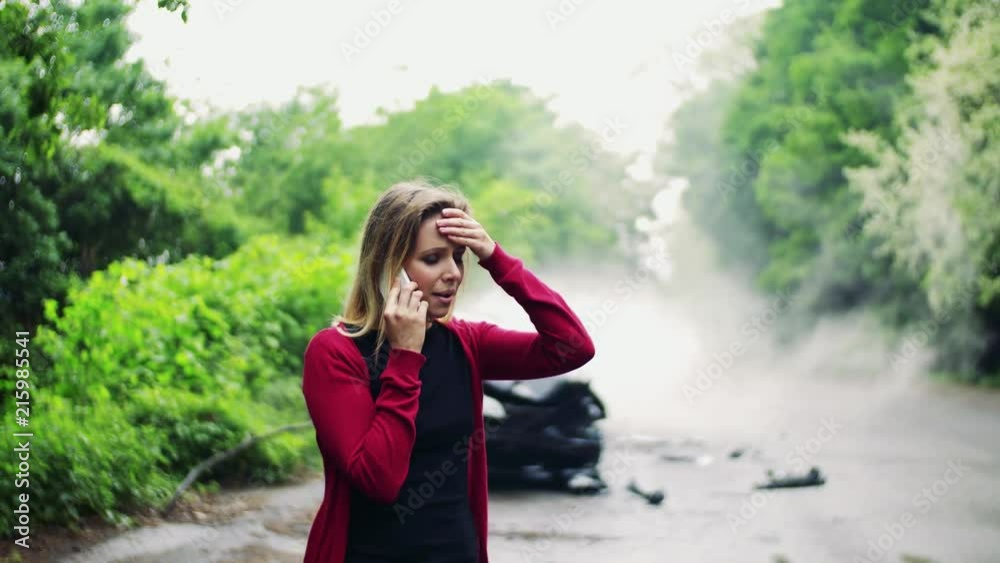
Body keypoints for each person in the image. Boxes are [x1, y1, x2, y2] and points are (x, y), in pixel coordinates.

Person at [301, 179, 596, 563]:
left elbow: (572, 346)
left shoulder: (466, 343)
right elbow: (380, 481)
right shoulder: (335, 353)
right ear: (390, 268)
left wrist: (496, 259)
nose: (453, 272)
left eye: (459, 256)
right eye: (432, 258)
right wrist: (406, 356)